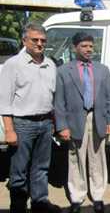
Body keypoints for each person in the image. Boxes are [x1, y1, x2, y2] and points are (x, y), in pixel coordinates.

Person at [0, 23, 61, 213]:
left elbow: (53, 97)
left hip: (45, 123)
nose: (40, 43)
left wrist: (53, 123)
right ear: (24, 40)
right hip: (22, 125)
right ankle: (17, 207)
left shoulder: (50, 64)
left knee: (41, 168)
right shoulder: (13, 65)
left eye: (43, 40)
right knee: (19, 171)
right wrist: (9, 130)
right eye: (35, 40)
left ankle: (39, 204)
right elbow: (4, 101)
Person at [54, 32, 110, 213]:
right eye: (84, 46)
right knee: (76, 159)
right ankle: (77, 196)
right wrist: (62, 126)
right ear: (75, 48)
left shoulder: (102, 69)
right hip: (74, 120)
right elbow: (59, 101)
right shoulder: (64, 70)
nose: (89, 49)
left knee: (98, 157)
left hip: (98, 119)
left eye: (91, 46)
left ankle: (97, 196)